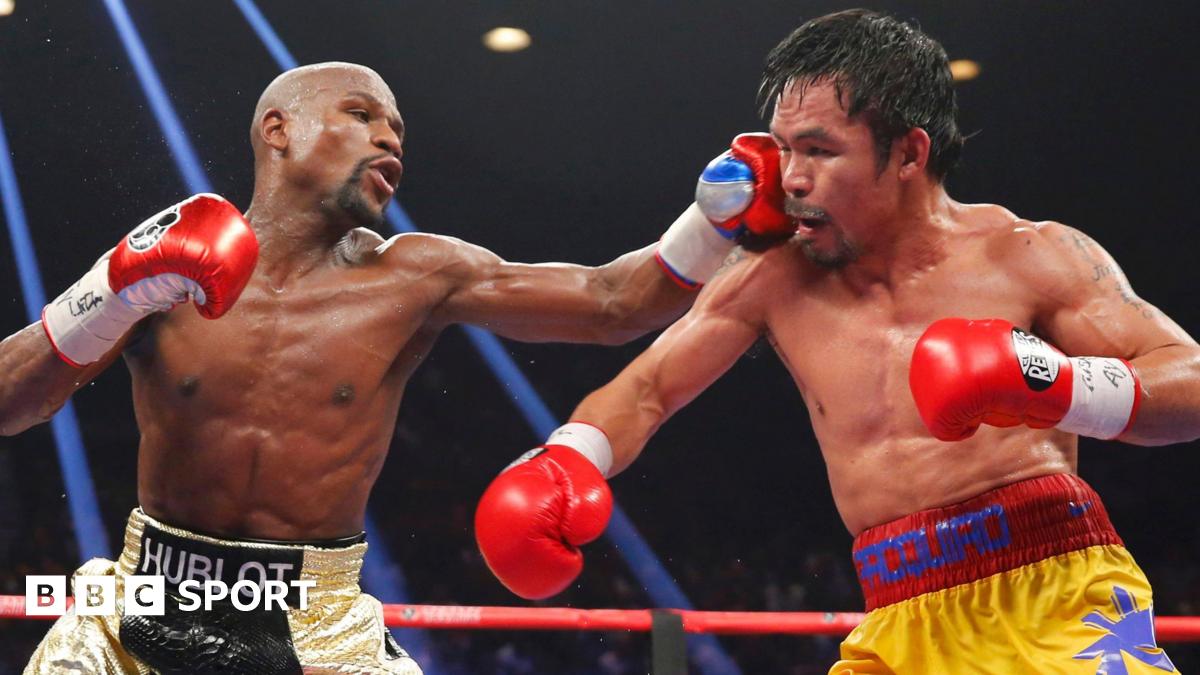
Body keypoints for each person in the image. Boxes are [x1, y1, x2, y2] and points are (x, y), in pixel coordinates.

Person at [0, 62, 795, 675]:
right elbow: (11, 403)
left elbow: (612, 301)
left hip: (318, 617)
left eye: (398, 129)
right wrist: (109, 291)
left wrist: (712, 220)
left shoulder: (416, 275)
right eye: (362, 115)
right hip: (141, 597)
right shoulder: (166, 269)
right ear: (278, 130)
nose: (390, 140)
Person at [474, 10, 1198, 673]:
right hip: (896, 613)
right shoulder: (774, 273)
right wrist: (567, 460)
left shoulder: (1029, 255)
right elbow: (647, 391)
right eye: (784, 149)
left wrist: (1055, 385)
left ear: (909, 153)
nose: (790, 178)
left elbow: (1189, 380)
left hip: (1057, 599)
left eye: (820, 151)